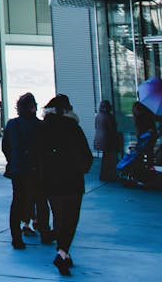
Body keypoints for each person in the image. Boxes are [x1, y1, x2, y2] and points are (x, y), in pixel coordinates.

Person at [40, 95, 93, 275]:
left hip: (50, 182)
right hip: (72, 181)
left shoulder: (43, 129)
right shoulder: (73, 128)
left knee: (59, 217)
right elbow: (86, 156)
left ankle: (64, 253)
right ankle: (62, 252)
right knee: (71, 219)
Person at [3, 93, 49, 249]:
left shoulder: (12, 125)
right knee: (41, 201)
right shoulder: (41, 126)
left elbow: (5, 147)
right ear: (33, 107)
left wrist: (13, 160)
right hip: (37, 170)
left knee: (17, 203)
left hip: (17, 170)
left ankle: (16, 237)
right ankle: (44, 232)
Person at [93, 99, 120, 181]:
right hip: (107, 140)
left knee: (105, 158)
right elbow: (112, 130)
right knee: (111, 158)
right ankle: (111, 175)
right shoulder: (109, 116)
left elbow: (96, 127)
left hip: (98, 140)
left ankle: (104, 175)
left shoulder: (98, 116)